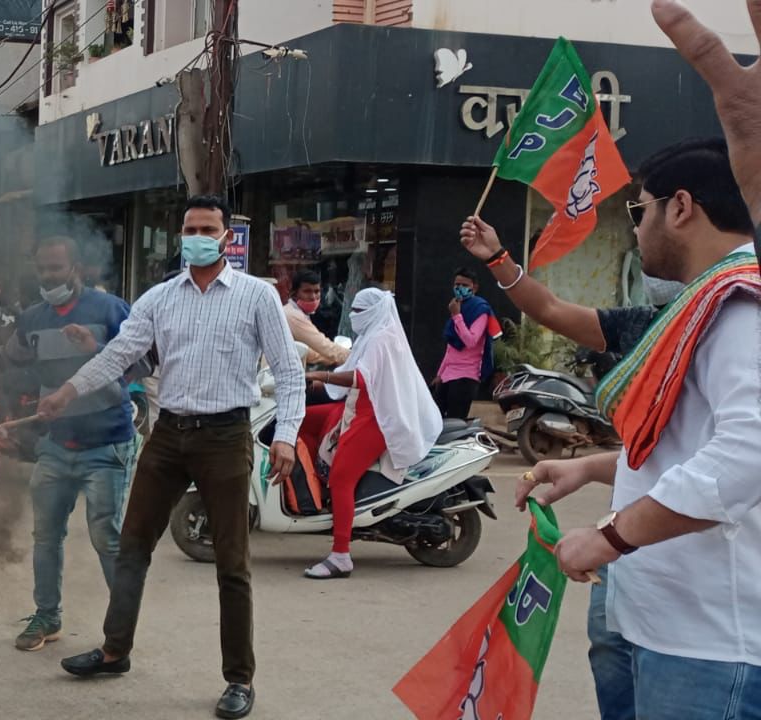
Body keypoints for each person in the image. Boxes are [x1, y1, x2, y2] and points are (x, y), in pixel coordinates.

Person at [460, 137, 754, 720]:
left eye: (638, 211)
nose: (635, 230)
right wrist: (589, 467)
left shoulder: (740, 311)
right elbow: (685, 452)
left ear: (681, 207)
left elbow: (745, 456)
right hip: (657, 621)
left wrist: (613, 537)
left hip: (707, 644)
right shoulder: (691, 312)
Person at [41, 195, 306, 720]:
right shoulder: (159, 299)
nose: (197, 236)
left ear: (227, 238)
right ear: (179, 235)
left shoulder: (257, 297)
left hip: (226, 438)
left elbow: (289, 370)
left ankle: (238, 680)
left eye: (208, 228)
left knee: (232, 565)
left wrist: (287, 434)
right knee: (133, 548)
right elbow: (119, 355)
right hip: (166, 437)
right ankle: (115, 650)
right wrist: (67, 392)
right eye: (189, 228)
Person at [0, 236, 143, 652]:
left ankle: (121, 628)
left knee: (107, 538)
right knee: (45, 536)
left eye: (56, 269)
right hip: (56, 445)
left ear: (75, 267)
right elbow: (11, 359)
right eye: (42, 270)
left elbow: (142, 362)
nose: (48, 277)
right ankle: (47, 616)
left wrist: (96, 348)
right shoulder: (30, 318)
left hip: (107, 444)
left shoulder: (111, 309)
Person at [297, 289, 441, 579]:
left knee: (341, 478)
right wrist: (310, 382)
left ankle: (340, 555)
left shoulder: (382, 339)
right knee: (300, 421)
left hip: (378, 417)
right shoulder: (372, 335)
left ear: (373, 312)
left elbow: (361, 378)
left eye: (358, 312)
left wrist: (320, 376)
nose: (353, 316)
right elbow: (352, 371)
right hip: (356, 407)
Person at [433, 268, 497, 419]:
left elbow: (470, 341)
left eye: (464, 285)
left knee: (455, 422)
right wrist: (440, 374)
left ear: (474, 287)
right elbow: (451, 348)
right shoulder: (459, 306)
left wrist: (457, 316)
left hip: (465, 377)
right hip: (447, 376)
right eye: (456, 284)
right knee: (435, 420)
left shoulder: (480, 310)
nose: (459, 288)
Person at [282, 270, 350, 366]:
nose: (313, 297)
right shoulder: (293, 315)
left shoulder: (298, 313)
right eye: (307, 291)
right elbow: (323, 345)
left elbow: (309, 352)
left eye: (316, 291)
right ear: (294, 293)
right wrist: (353, 358)